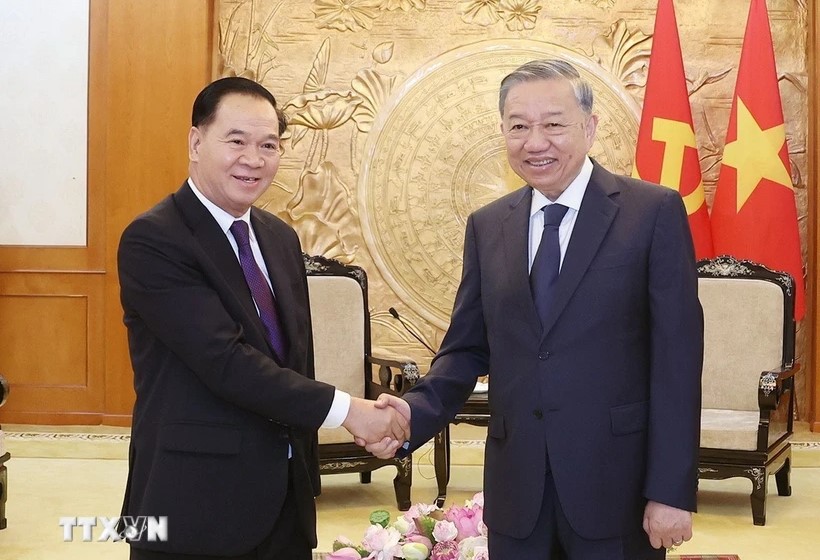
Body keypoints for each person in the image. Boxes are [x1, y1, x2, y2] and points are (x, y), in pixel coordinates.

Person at [368, 59, 704, 559]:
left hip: (615, 486)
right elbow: (466, 348)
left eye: (553, 124)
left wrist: (670, 490)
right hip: (517, 493)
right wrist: (414, 411)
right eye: (519, 126)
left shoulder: (651, 212)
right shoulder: (488, 225)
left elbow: (677, 361)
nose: (535, 142)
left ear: (590, 128)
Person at [117, 76, 409, 560]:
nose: (253, 159)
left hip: (285, 502)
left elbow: (295, 360)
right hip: (191, 501)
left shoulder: (279, 237)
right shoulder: (155, 240)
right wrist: (349, 412)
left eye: (269, 145)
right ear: (196, 143)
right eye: (236, 141)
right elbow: (226, 362)